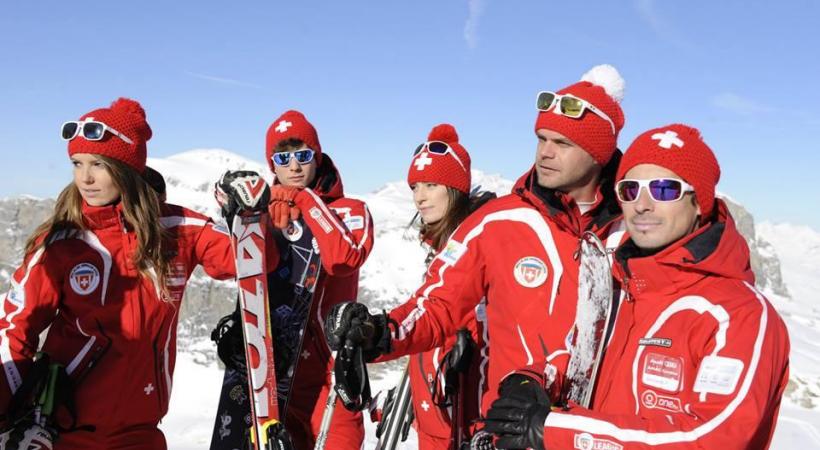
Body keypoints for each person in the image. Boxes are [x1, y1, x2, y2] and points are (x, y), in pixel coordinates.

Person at [324, 65, 629, 423]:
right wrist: (378, 332)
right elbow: (437, 305)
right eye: (541, 139)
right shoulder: (496, 222)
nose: (545, 152)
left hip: (601, 432)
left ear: (599, 153)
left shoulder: (635, 231)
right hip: (512, 429)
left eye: (561, 143)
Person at [483, 124, 791, 450]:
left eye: (664, 189)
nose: (642, 204)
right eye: (630, 190)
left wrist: (554, 431)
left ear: (700, 202)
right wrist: (534, 380)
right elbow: (578, 355)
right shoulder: (618, 288)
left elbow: (712, 437)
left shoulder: (738, 316)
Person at [0, 98, 251, 449]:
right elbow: (16, 328)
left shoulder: (178, 230)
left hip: (141, 431)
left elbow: (246, 262)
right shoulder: (62, 242)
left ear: (127, 167)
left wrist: (253, 217)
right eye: (77, 163)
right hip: (66, 431)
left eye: (98, 165)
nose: (85, 178)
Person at [210, 110, 375, 449]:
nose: (294, 167)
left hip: (331, 376)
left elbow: (345, 257)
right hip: (271, 379)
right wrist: (245, 218)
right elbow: (236, 270)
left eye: (303, 155)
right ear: (272, 165)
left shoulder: (351, 210)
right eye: (282, 158)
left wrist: (304, 200)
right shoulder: (265, 212)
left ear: (318, 155)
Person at [388, 124, 493, 449]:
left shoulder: (478, 243)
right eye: (415, 186)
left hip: (465, 410)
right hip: (435, 408)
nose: (420, 197)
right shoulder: (440, 246)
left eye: (431, 185)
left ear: (456, 188)